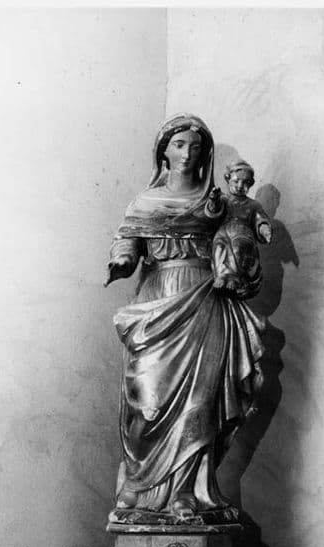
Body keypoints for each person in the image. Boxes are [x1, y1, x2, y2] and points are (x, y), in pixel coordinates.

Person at [105, 114, 267, 521]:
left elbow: (236, 239)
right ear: (163, 151)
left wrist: (238, 261)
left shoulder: (216, 203)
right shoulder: (144, 203)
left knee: (199, 401)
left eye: (195, 146)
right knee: (147, 398)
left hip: (204, 299)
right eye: (178, 144)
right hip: (157, 299)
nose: (187, 153)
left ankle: (186, 492)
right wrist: (123, 258)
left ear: (204, 154)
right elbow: (128, 241)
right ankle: (139, 486)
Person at [212, 160, 272, 298]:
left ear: (250, 184)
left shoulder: (253, 205)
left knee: (238, 248)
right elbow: (213, 213)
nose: (240, 186)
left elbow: (260, 220)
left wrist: (264, 229)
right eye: (236, 181)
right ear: (228, 179)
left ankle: (233, 278)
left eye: (245, 183)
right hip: (223, 233)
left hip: (243, 235)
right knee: (219, 248)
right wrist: (213, 200)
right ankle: (221, 275)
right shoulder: (223, 200)